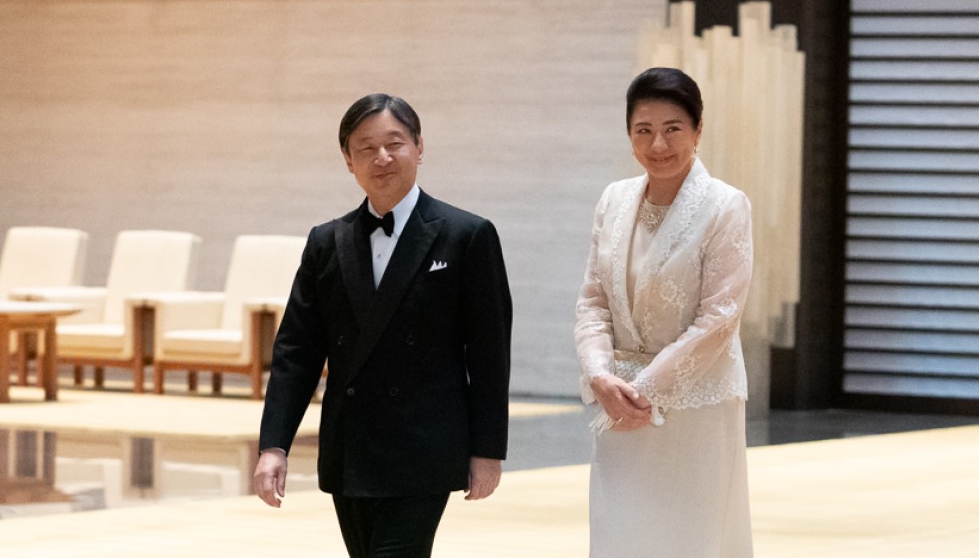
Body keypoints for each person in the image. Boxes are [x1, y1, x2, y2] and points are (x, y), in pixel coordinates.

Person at [255, 93, 513, 558]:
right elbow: (296, 352)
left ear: (419, 147)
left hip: (425, 448)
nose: (382, 157)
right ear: (348, 161)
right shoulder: (326, 242)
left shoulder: (466, 235)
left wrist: (487, 449)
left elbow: (490, 353)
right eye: (365, 147)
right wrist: (274, 445)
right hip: (350, 448)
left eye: (395, 143)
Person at [574, 67, 754, 557]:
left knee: (690, 538)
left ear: (698, 130)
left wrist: (645, 391)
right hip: (617, 405)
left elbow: (719, 319)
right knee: (622, 535)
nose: (658, 145)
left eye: (673, 129)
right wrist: (599, 377)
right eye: (643, 130)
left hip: (695, 406)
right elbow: (593, 301)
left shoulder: (725, 206)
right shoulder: (613, 200)